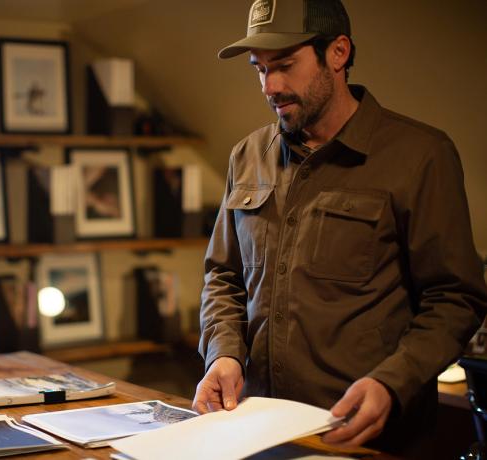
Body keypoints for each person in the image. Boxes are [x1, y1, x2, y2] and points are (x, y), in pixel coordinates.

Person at [192, 0, 487, 457]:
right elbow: (224, 276)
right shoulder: (246, 155)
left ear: (338, 53)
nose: (271, 86)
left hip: (371, 439)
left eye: (285, 65)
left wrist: (392, 383)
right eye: (260, 69)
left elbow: (455, 298)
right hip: (257, 432)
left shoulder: (420, 156)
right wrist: (224, 353)